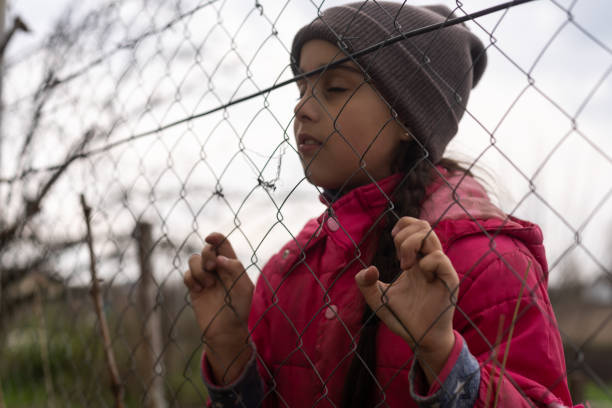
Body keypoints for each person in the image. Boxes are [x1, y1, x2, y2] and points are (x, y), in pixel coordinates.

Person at [183, 2, 581, 407]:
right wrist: (231, 351)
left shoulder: (488, 262)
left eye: (334, 88)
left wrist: (443, 356)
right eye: (301, 87)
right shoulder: (286, 272)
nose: (301, 107)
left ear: (408, 118)